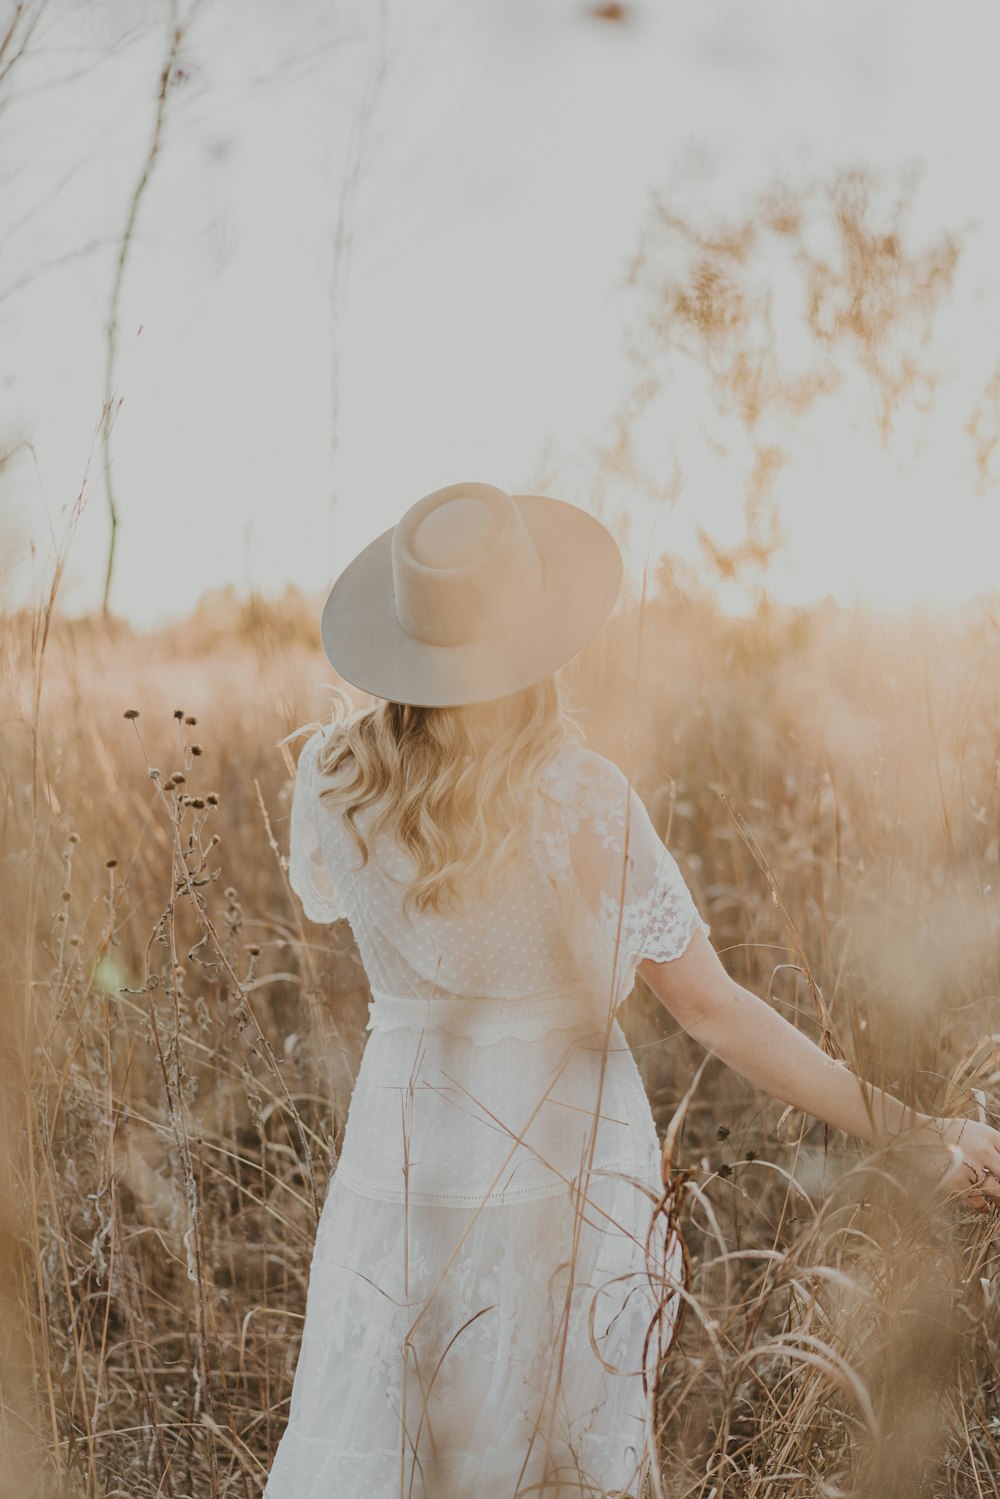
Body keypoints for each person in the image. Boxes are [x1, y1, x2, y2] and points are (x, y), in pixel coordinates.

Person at [261, 483, 1000, 1499]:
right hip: (556, 1158)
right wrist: (917, 1128)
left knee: (386, 1425)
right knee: (543, 1455)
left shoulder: (334, 778)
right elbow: (712, 1008)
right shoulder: (577, 795)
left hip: (401, 1158)